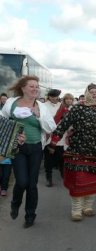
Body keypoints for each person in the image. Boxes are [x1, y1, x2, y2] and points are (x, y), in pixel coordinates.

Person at [49, 83, 96, 221]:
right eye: (91, 92)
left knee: (92, 181)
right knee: (78, 180)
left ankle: (87, 207)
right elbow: (64, 124)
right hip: (78, 150)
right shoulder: (78, 108)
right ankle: (76, 210)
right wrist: (54, 142)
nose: (94, 94)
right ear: (86, 93)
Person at [1, 75, 56, 228]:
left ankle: (30, 215)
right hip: (17, 148)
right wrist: (15, 134)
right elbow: (2, 120)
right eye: (31, 86)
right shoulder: (12, 103)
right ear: (23, 87)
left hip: (36, 147)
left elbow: (51, 128)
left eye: (37, 86)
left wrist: (38, 116)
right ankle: (15, 203)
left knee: (32, 184)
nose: (35, 89)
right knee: (22, 182)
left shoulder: (41, 106)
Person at [51, 93, 75, 179]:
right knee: (62, 154)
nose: (69, 100)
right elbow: (56, 120)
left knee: (70, 153)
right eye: (67, 99)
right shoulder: (61, 108)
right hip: (62, 132)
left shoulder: (74, 108)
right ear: (64, 100)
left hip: (72, 133)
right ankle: (62, 171)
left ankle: (69, 171)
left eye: (70, 99)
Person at [44, 89, 62, 187]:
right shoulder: (44, 106)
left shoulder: (61, 106)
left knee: (61, 157)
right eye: (52, 96)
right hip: (49, 135)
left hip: (60, 136)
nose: (54, 98)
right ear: (49, 97)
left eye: (56, 96)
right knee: (48, 159)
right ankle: (49, 178)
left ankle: (64, 175)